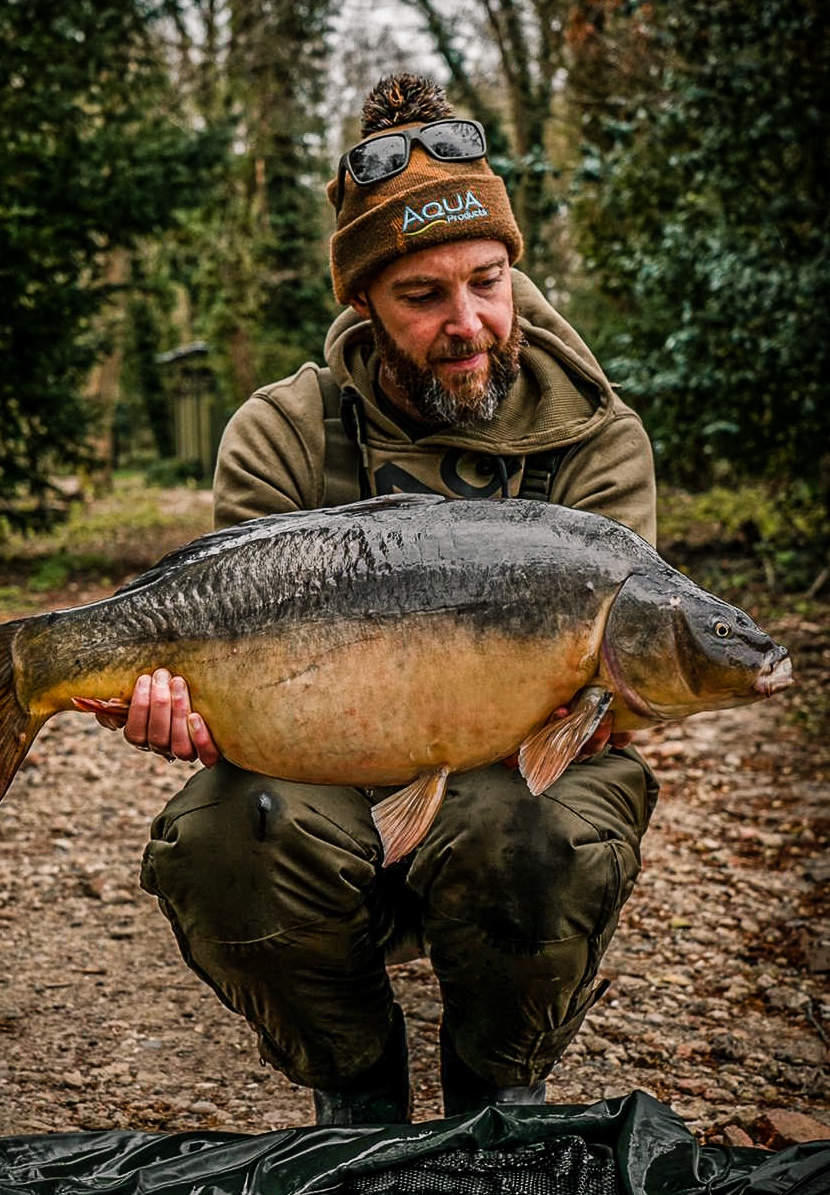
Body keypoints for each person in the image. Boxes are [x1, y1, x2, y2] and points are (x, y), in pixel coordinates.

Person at [98, 73, 660, 1125]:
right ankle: (353, 1089)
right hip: (319, 777)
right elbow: (225, 657)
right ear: (361, 299)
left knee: (530, 833)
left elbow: (620, 692)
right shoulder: (279, 431)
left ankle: (497, 1093)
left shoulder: (597, 437)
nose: (468, 323)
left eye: (487, 282)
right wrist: (181, 706)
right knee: (227, 835)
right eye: (422, 296)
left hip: (502, 785)